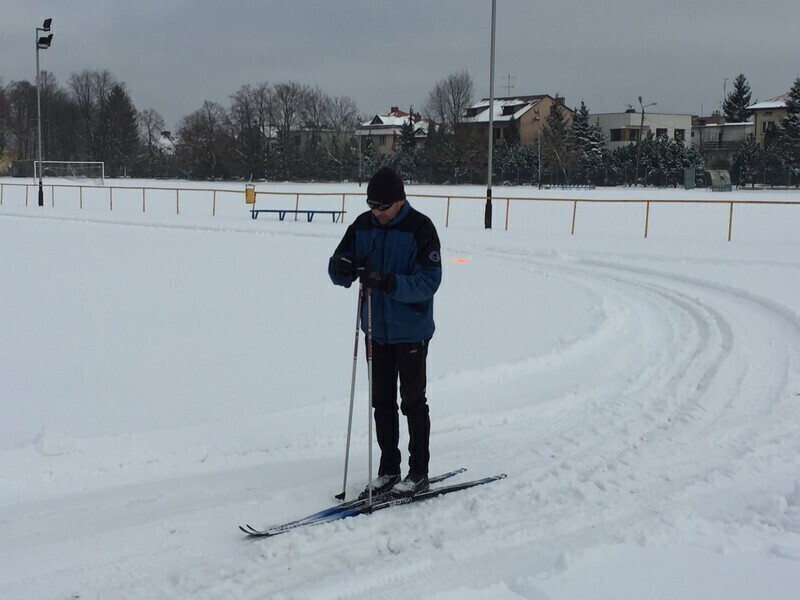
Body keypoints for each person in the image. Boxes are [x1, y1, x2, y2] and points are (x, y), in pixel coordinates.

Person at [328, 167, 442, 498]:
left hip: (411, 330)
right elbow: (339, 263)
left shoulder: (420, 228)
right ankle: (388, 470)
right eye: (371, 205)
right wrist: (340, 268)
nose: (375, 212)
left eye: (382, 206)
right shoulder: (362, 225)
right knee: (381, 402)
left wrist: (387, 281)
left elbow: (429, 281)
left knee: (412, 401)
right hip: (375, 329)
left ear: (399, 201)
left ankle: (418, 472)